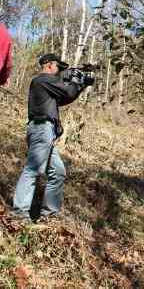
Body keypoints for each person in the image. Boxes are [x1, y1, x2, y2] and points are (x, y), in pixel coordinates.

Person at [12, 53, 87, 223]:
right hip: (41, 128)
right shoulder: (43, 80)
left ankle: (49, 215)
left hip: (46, 132)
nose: (59, 71)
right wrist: (76, 80)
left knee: (58, 172)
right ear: (48, 65)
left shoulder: (46, 85)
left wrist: (80, 85)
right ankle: (19, 213)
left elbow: (66, 96)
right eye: (58, 67)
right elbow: (68, 90)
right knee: (33, 169)